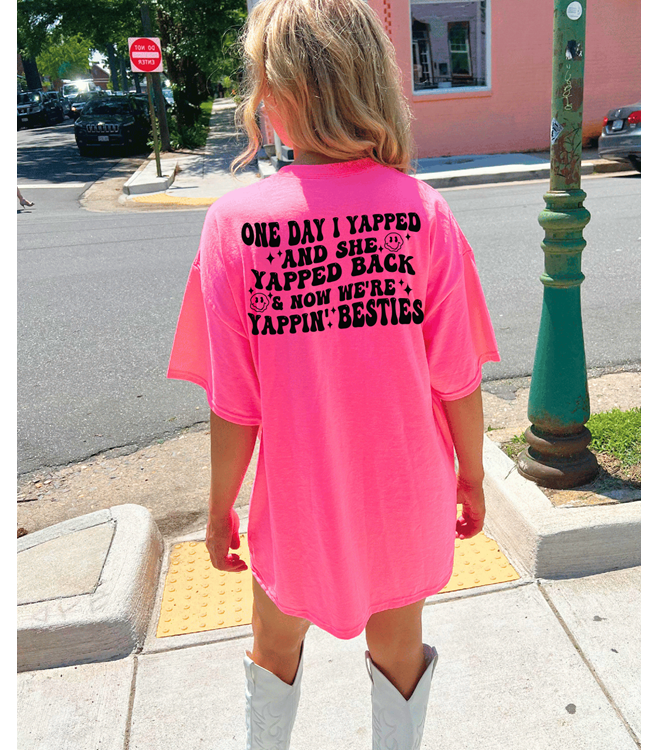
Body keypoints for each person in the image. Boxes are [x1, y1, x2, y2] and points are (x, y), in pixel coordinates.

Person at [167, 1, 500, 747]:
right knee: (400, 653)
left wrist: (220, 509)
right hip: (404, 491)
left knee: (273, 647)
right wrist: (472, 476)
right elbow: (457, 380)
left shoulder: (234, 227)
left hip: (296, 500)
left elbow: (236, 404)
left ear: (278, 93)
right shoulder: (424, 213)